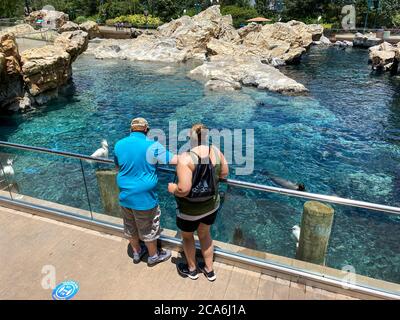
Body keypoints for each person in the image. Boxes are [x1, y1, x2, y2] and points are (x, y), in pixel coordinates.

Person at [168, 123, 229, 281]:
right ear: (207, 136)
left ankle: (192, 269)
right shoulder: (216, 151)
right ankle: (209, 270)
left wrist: (172, 188)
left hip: (189, 210)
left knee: (188, 237)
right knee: (205, 234)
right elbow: (224, 174)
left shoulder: (185, 158)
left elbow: (184, 189)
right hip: (211, 206)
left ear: (190, 138)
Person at [114, 117, 178, 266]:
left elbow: (118, 166)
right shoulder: (152, 145)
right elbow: (174, 160)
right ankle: (153, 256)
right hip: (145, 198)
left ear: (131, 129)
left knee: (130, 226)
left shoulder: (119, 144)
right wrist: (196, 156)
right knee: (149, 228)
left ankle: (136, 252)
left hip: (125, 195)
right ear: (146, 130)